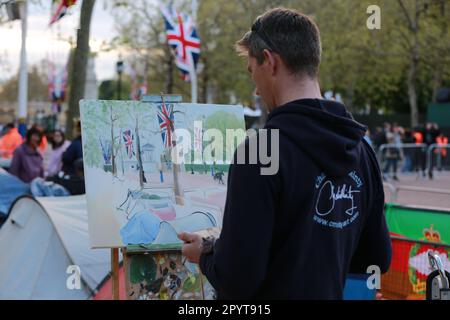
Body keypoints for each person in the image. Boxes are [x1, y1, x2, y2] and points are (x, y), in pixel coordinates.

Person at [178, 8, 392, 300]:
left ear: (270, 61)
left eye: (252, 71)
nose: (255, 89)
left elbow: (238, 280)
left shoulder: (260, 151)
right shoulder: (361, 148)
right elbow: (376, 259)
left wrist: (202, 258)